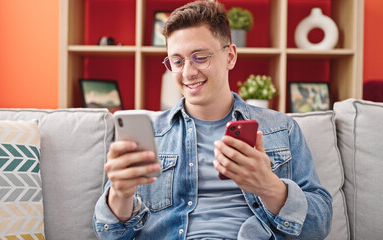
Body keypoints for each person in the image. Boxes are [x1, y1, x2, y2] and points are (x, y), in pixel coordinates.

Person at [93, 1, 332, 239]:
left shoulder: (281, 128)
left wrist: (269, 187)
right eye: (177, 61)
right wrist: (120, 196)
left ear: (230, 56)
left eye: (200, 57)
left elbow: (319, 225)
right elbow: (109, 234)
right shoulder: (150, 134)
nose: (187, 72)